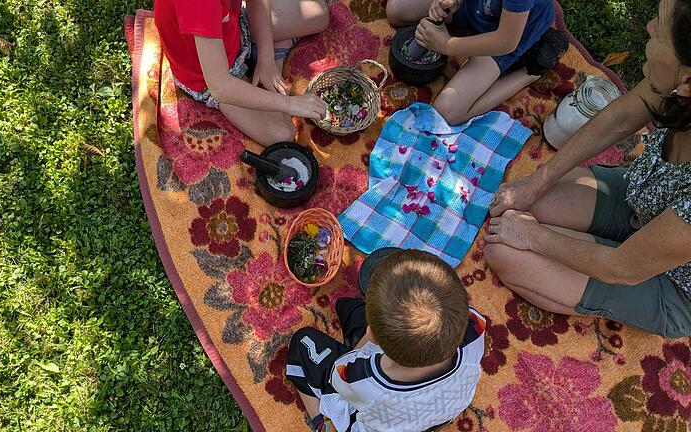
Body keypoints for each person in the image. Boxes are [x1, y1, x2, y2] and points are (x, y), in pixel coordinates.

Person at [484, 0, 691, 338]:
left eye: (661, 31)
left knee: (504, 251)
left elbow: (623, 268)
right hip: (643, 200)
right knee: (524, 202)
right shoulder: (673, 83)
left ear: (688, 82)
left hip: (672, 281)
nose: (650, 27)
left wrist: (534, 237)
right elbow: (623, 116)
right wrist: (538, 182)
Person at [285, 249, 486, 432]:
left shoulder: (362, 377)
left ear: (372, 334)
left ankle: (323, 424)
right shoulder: (475, 327)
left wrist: (368, 340)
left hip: (372, 413)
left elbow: (338, 379)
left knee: (303, 342)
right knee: (347, 307)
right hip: (437, 414)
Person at [153, 0, 329, 146]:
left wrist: (266, 57)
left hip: (233, 29)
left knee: (319, 14)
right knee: (282, 134)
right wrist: (289, 104)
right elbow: (220, 86)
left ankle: (267, 57)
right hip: (209, 75)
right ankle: (274, 57)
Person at [386, 0, 567, 125]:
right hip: (476, 8)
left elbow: (505, 42)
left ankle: (531, 70)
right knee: (396, 10)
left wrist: (447, 45)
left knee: (448, 110)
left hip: (508, 31)